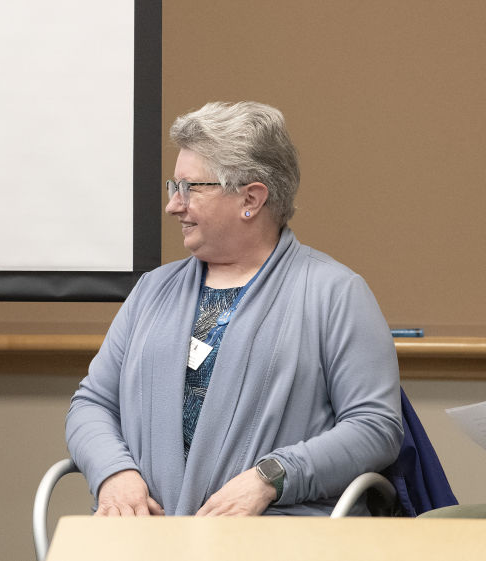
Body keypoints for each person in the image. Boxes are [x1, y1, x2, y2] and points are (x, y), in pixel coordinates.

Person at [65, 102, 403, 517]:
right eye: (174, 187)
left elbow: (375, 427)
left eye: (191, 188)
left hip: (276, 537)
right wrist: (113, 473)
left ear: (251, 198)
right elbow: (92, 404)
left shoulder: (335, 293)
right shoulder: (152, 290)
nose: (173, 205)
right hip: (148, 534)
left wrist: (272, 477)